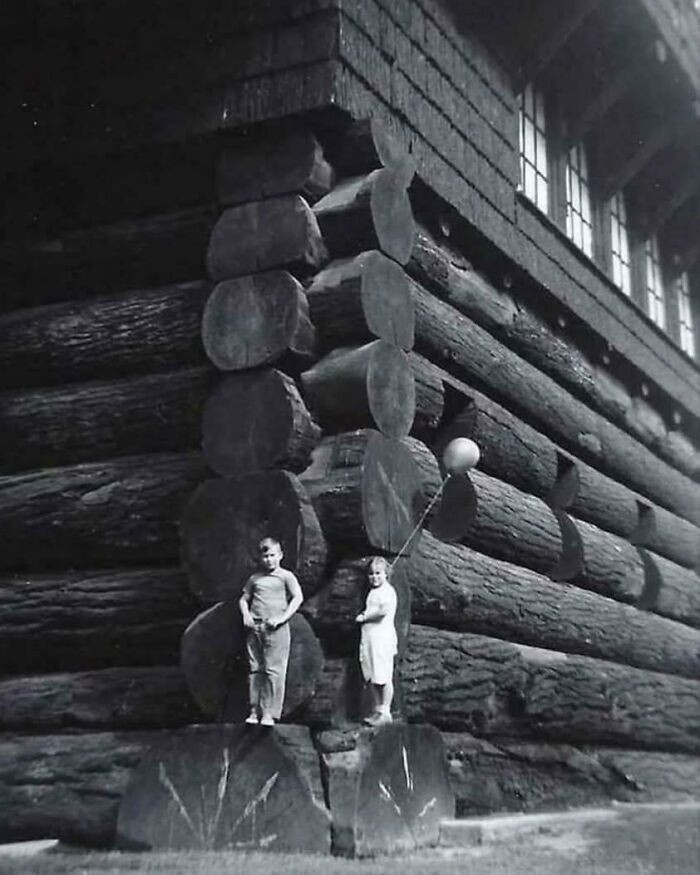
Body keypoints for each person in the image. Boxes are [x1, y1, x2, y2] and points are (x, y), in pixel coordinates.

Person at [239, 537, 303, 726]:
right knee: (255, 668)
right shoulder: (255, 578)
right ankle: (254, 710)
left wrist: (282, 618)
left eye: (272, 555)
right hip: (255, 627)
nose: (269, 560)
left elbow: (297, 598)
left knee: (273, 670)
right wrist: (246, 616)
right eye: (265, 556)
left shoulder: (286, 576)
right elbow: (243, 599)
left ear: (280, 555)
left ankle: (269, 713)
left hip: (275, 628)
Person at [355, 556, 397, 726]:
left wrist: (364, 616)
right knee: (372, 675)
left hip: (382, 638)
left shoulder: (388, 591)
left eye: (378, 573)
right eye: (371, 574)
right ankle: (378, 709)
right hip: (370, 638)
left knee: (384, 675)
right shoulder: (373, 591)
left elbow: (382, 611)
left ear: (386, 573)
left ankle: (386, 710)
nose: (375, 577)